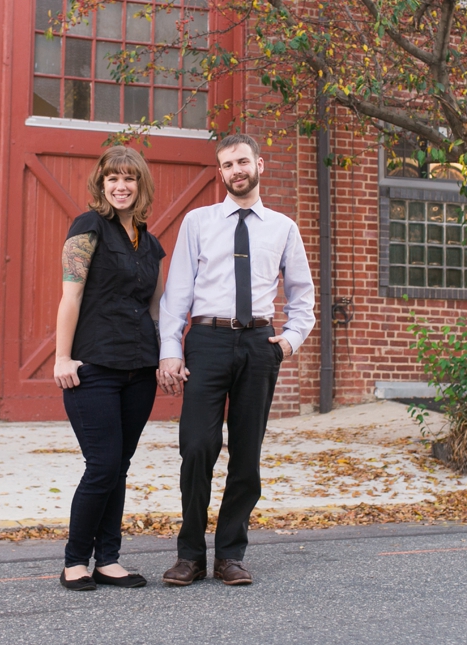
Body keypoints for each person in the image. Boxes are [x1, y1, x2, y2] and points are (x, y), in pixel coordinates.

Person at [157, 134, 315, 586]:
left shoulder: (283, 227)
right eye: (227, 165)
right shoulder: (198, 222)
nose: (236, 170)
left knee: (246, 455)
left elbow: (303, 295)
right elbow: (177, 294)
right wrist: (170, 350)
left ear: (259, 164)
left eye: (242, 161)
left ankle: (230, 554)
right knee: (197, 448)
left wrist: (289, 341)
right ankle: (190, 554)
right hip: (206, 340)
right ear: (221, 173)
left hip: (259, 345)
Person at [53, 146, 166, 591]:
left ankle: (109, 559)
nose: (121, 186)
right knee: (101, 464)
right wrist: (62, 357)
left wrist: (166, 359)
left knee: (119, 465)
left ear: (141, 185)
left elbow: (156, 310)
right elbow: (71, 297)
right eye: (112, 178)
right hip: (93, 367)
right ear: (101, 185)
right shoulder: (88, 227)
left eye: (129, 178)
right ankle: (75, 561)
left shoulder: (150, 242)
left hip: (139, 368)